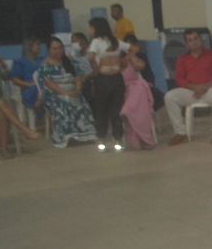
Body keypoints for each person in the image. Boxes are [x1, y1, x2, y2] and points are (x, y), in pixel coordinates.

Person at [165, 29, 212, 146]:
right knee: (169, 96)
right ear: (187, 44)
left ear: (201, 39)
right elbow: (180, 79)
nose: (194, 42)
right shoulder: (182, 59)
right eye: (190, 40)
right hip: (191, 92)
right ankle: (180, 133)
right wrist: (194, 87)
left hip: (209, 90)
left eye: (196, 38)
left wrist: (204, 87)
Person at [37, 37, 98, 148]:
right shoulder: (44, 66)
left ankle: (84, 135)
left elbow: (78, 77)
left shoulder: (70, 62)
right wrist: (65, 93)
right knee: (65, 102)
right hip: (54, 94)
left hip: (72, 90)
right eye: (54, 49)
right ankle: (65, 136)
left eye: (60, 48)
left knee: (81, 101)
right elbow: (49, 84)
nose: (58, 51)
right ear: (49, 50)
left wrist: (78, 89)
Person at [87, 17, 125, 152]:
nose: (89, 30)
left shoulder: (96, 42)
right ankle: (118, 139)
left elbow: (91, 57)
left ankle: (101, 139)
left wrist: (96, 69)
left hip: (102, 79)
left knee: (101, 110)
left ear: (96, 28)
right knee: (116, 110)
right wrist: (120, 64)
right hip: (117, 78)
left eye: (90, 28)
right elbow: (130, 49)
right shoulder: (115, 41)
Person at [120, 35, 156, 149]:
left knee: (134, 106)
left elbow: (140, 66)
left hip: (137, 88)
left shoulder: (134, 58)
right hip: (124, 90)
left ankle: (145, 138)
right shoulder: (117, 59)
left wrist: (131, 56)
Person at [9, 36, 44, 118]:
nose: (40, 47)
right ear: (30, 47)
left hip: (44, 85)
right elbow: (14, 79)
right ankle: (39, 104)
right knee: (39, 88)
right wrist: (29, 84)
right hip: (30, 89)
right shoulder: (20, 62)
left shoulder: (42, 59)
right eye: (37, 45)